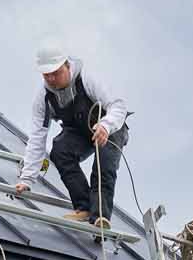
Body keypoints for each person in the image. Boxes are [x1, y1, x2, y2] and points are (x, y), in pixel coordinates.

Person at [12, 47, 130, 226]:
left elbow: (118, 105)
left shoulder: (87, 78)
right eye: (46, 75)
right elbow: (37, 137)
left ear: (67, 66)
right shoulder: (44, 98)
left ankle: (100, 216)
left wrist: (106, 126)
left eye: (56, 73)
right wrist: (26, 178)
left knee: (104, 167)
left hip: (111, 128)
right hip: (80, 132)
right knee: (60, 150)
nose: (51, 79)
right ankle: (84, 207)